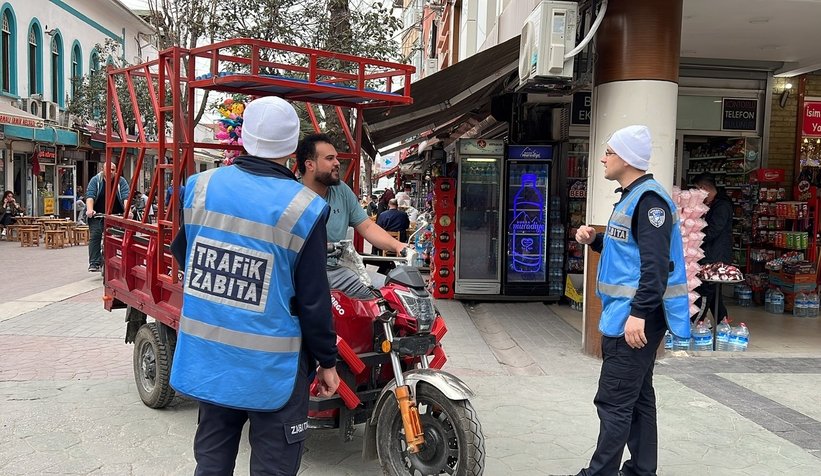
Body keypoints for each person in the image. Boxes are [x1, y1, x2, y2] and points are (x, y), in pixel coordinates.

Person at [168, 97, 340, 476]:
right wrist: (327, 362)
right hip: (272, 368)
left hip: (211, 359)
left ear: (243, 137)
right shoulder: (304, 207)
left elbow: (186, 254)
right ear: (294, 148)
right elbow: (313, 299)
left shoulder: (199, 187)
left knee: (211, 463)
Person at [567, 125, 690, 476]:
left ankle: (600, 473)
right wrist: (595, 240)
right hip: (626, 315)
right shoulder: (631, 196)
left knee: (614, 401)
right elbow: (629, 255)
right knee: (637, 400)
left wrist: (638, 314)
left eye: (608, 152)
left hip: (634, 321)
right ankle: (640, 471)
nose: (603, 158)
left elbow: (656, 268)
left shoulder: (650, 202)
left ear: (624, 157)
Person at [297, 133, 407, 299]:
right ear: (310, 165)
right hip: (302, 273)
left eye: (336, 158)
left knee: (390, 294)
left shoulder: (341, 190)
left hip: (338, 270)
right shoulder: (292, 196)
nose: (336, 163)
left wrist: (398, 246)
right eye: (329, 158)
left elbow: (367, 226)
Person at [85, 162, 130, 272]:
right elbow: (90, 196)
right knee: (95, 235)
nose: (111, 172)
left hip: (117, 215)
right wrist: (90, 209)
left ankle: (121, 260)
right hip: (98, 214)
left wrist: (127, 211)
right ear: (102, 169)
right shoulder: (96, 180)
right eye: (108, 169)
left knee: (120, 238)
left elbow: (125, 197)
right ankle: (94, 262)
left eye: (113, 169)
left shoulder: (121, 181)